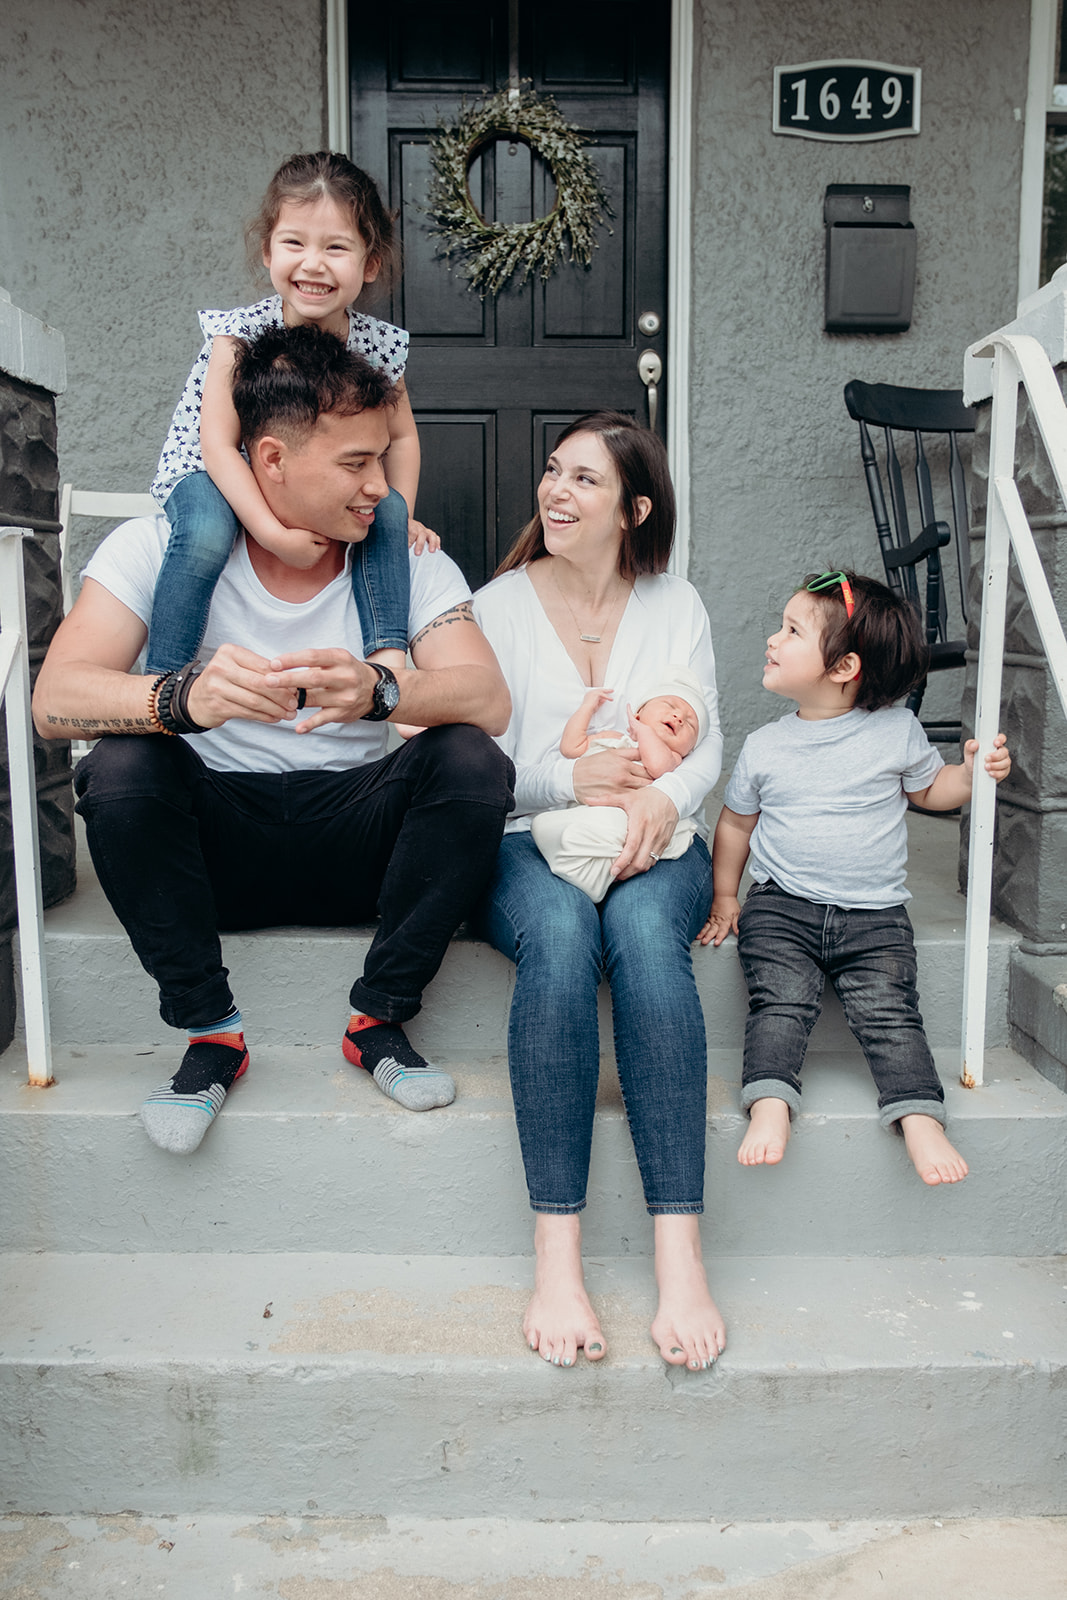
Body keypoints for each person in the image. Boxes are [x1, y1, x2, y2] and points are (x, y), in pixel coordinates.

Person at [33, 323, 513, 1155]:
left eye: (380, 460)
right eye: (355, 464)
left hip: (360, 844)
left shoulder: (404, 559)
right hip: (217, 849)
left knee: (470, 759)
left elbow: (489, 697)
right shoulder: (156, 546)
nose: (381, 488)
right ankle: (212, 1036)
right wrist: (181, 698)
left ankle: (380, 1020)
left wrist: (382, 689)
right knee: (122, 767)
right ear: (270, 461)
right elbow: (55, 700)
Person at [472, 411, 726, 1374]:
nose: (556, 493)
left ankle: (679, 1253)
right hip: (523, 843)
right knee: (564, 937)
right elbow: (471, 767)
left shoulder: (676, 604)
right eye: (552, 472)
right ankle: (558, 1256)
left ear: (635, 509)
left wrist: (661, 796)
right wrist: (564, 784)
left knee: (647, 939)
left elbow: (706, 740)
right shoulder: (494, 609)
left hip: (655, 841)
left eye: (584, 480)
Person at [699, 570, 1011, 1186]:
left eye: (791, 630)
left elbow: (929, 790)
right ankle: (770, 1103)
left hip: (875, 917)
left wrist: (971, 774)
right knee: (779, 1002)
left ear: (842, 667)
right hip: (782, 909)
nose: (772, 638)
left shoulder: (896, 732)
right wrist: (727, 895)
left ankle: (919, 1115)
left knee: (891, 1013)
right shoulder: (766, 746)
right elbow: (735, 826)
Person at [146, 150, 437, 680]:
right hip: (209, 470)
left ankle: (388, 657)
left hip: (303, 477)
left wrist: (400, 513)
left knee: (389, 512)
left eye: (337, 247)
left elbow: (405, 439)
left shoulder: (379, 345)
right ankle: (166, 676)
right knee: (209, 530)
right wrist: (271, 532)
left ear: (370, 263)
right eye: (294, 242)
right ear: (267, 249)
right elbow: (216, 445)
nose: (313, 263)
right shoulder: (235, 337)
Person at [530, 666, 710, 902]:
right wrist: (587, 708)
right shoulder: (614, 739)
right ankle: (591, 871)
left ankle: (596, 879)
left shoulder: (672, 758)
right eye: (670, 706)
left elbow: (657, 767)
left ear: (688, 750)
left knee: (588, 838)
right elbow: (571, 747)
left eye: (690, 724)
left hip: (628, 821)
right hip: (590, 815)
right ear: (637, 714)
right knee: (543, 826)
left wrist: (644, 732)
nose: (679, 717)